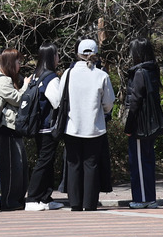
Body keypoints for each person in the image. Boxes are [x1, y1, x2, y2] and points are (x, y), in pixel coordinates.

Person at [46, 39, 114, 212]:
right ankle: (90, 204)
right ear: (96, 53)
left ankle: (75, 203)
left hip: (72, 126)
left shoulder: (68, 74)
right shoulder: (101, 75)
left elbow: (59, 99)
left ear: (78, 54)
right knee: (91, 165)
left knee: (73, 164)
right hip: (94, 128)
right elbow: (108, 103)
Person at [123, 38, 163, 209]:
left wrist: (128, 126)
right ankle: (150, 197)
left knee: (139, 162)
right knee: (147, 161)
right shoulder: (152, 69)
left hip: (140, 125)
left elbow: (135, 101)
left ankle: (142, 198)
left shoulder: (139, 72)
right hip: (150, 124)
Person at [25, 43, 62, 210]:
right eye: (57, 54)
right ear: (52, 57)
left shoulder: (36, 75)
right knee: (44, 161)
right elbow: (57, 102)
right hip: (48, 126)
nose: (58, 58)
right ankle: (32, 198)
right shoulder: (51, 78)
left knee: (47, 161)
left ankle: (45, 198)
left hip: (37, 124)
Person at [0, 48, 30, 211]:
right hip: (6, 128)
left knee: (19, 166)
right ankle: (8, 201)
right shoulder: (2, 81)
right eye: (17, 62)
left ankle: (16, 200)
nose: (20, 65)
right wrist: (26, 86)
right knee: (12, 168)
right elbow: (18, 99)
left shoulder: (9, 79)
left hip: (13, 127)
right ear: (9, 63)